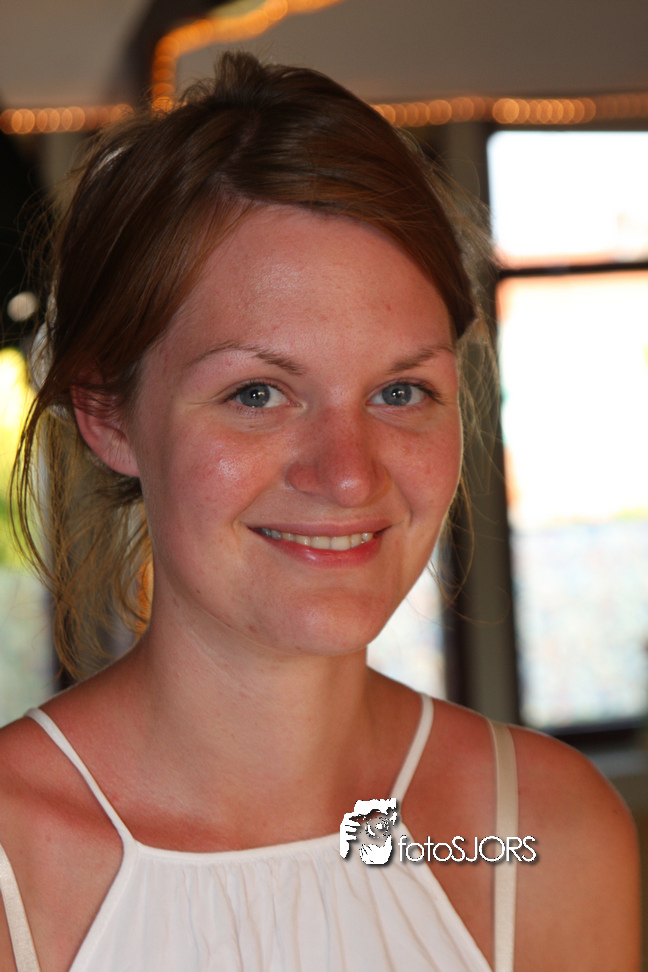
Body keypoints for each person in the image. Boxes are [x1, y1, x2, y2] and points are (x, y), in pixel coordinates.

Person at [0, 52, 640, 972]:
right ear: (108, 416)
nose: (347, 476)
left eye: (400, 392)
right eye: (257, 393)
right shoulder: (15, 861)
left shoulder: (544, 835)